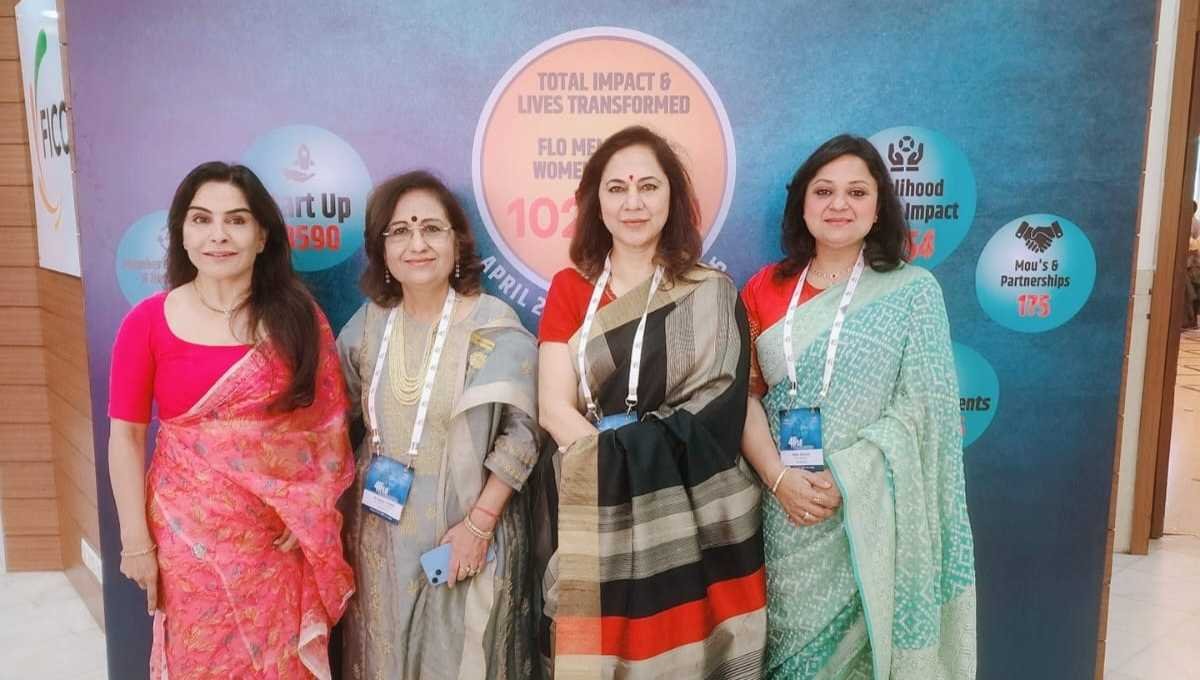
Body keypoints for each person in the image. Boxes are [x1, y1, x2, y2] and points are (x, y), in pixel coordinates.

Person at [739, 134, 977, 678]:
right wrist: (780, 479)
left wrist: (850, 476)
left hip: (875, 512)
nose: (839, 205)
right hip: (784, 510)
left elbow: (925, 411)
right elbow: (745, 399)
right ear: (802, 204)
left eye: (856, 192)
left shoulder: (913, 291)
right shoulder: (764, 289)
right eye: (823, 191)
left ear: (878, 207)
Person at [534, 125, 767, 678]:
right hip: (591, 499)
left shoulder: (710, 290)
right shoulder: (571, 287)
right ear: (596, 202)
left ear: (672, 197)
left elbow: (719, 407)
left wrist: (632, 467)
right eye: (616, 188)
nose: (632, 203)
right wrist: (619, 472)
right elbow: (553, 408)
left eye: (648, 186)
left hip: (697, 510)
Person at [107, 161, 355, 678]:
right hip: (187, 542)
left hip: (275, 544)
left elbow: (326, 429)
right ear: (181, 233)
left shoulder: (299, 320)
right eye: (201, 219)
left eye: (237, 220)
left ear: (262, 236)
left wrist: (308, 512)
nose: (218, 235)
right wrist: (135, 542)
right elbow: (126, 437)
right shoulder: (147, 322)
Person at [336, 171, 540, 679]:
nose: (417, 244)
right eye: (400, 231)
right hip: (379, 544)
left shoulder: (492, 324)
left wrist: (478, 526)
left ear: (457, 242)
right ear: (381, 248)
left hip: (467, 536)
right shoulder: (365, 328)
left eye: (432, 228)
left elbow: (524, 434)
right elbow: (333, 425)